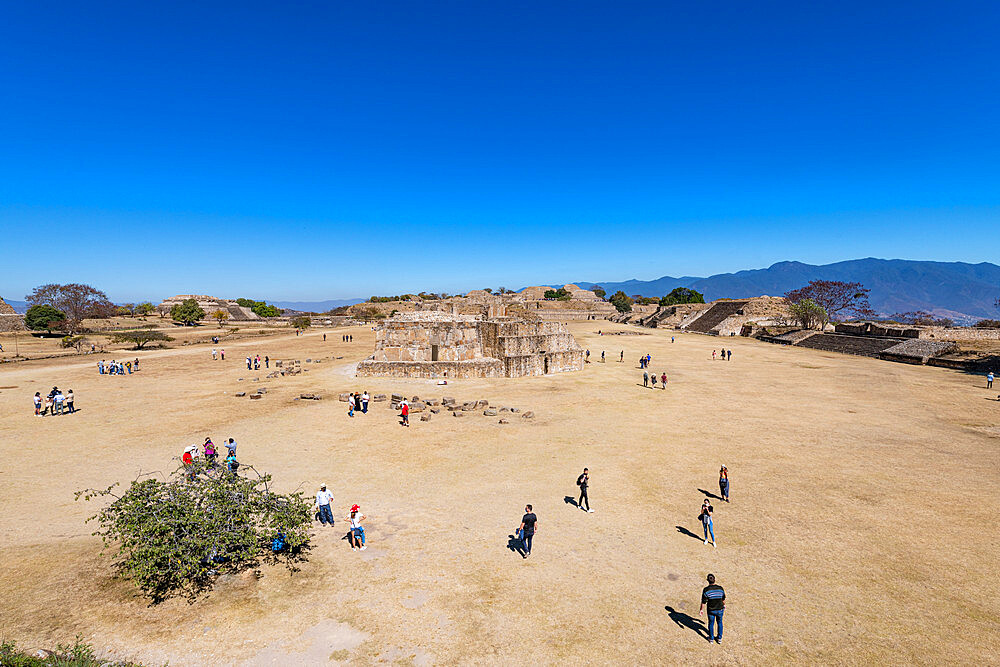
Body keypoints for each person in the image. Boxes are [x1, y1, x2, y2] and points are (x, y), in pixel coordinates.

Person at [700, 574, 726, 644]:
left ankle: (711, 638)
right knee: (720, 623)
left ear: (707, 580)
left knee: (711, 623)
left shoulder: (706, 590)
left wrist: (701, 610)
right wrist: (724, 605)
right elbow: (723, 598)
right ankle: (719, 638)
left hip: (711, 610)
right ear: (714, 579)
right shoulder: (720, 588)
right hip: (720, 609)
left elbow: (703, 602)